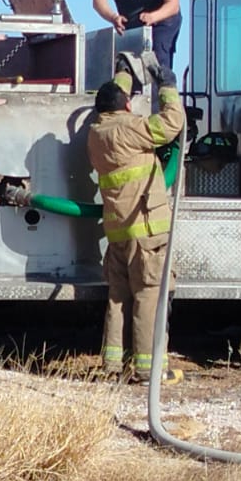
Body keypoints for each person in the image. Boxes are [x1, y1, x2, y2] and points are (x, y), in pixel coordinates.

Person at [87, 56, 185, 382]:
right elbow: (172, 124)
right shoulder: (131, 128)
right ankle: (148, 369)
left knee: (118, 298)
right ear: (127, 106)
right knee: (149, 296)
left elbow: (113, 101)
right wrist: (167, 87)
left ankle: (113, 366)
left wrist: (124, 73)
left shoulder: (96, 133)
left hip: (118, 233)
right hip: (147, 231)